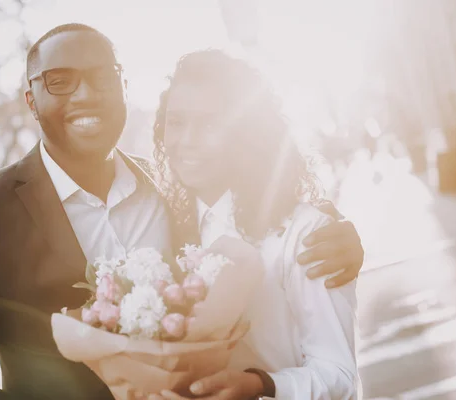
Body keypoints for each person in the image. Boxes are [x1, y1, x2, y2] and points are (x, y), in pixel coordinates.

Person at [0, 24, 363, 400]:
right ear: (31, 101)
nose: (86, 94)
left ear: (125, 87)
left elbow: (259, 221)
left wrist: (335, 233)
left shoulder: (172, 192)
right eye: (60, 80)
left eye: (102, 77)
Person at [150, 49, 361, 399]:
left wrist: (261, 384)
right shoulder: (167, 229)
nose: (187, 140)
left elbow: (339, 374)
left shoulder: (304, 233)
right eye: (176, 122)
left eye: (209, 124)